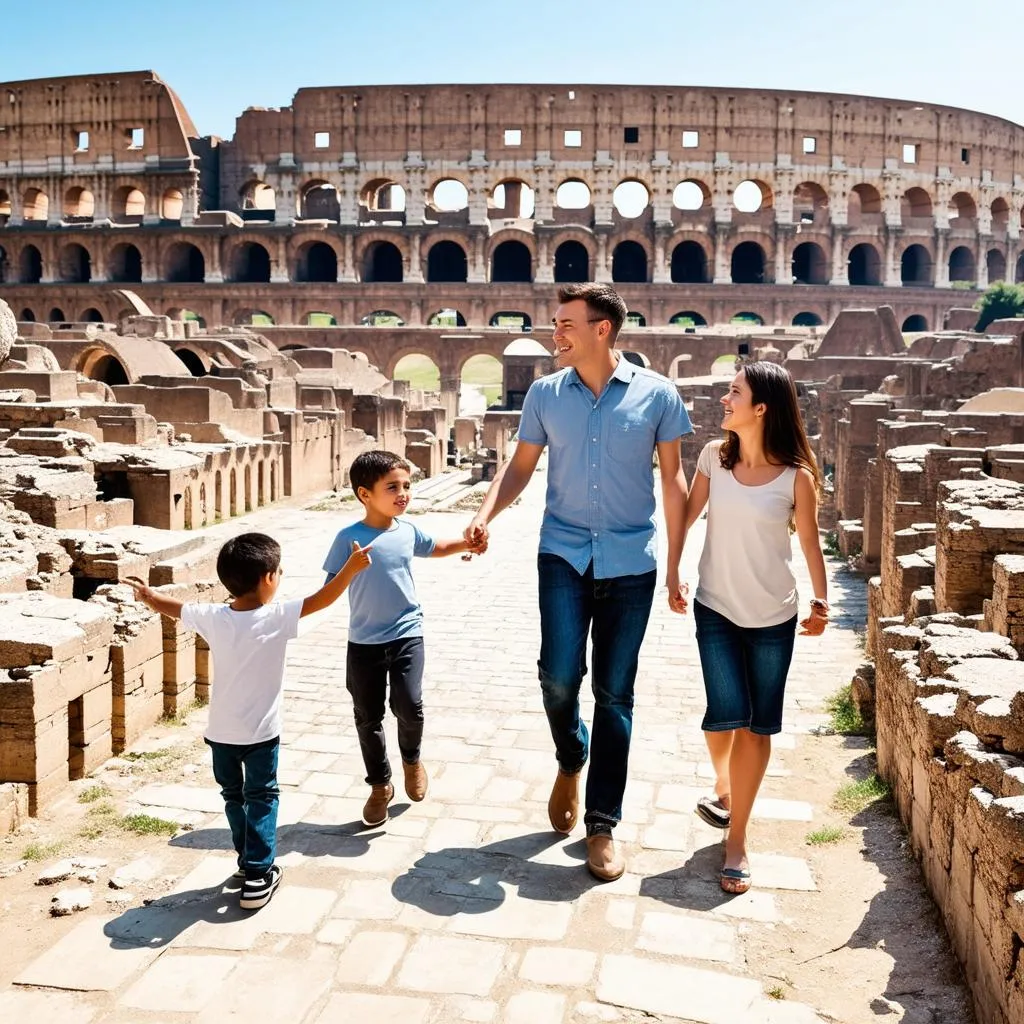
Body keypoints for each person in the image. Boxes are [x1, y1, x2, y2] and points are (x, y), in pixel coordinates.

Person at [465, 283, 692, 882]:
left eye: (565, 323)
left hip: (631, 561)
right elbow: (519, 467)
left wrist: (674, 563)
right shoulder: (545, 393)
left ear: (601, 329)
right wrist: (485, 515)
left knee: (616, 695)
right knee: (559, 676)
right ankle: (571, 755)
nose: (555, 332)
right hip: (563, 553)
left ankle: (603, 823)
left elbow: (673, 482)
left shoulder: (658, 396)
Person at [127, 532, 371, 910]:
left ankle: (247, 860)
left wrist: (149, 597)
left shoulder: (214, 617)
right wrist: (350, 569)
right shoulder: (276, 616)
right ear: (268, 578)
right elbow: (322, 600)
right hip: (260, 735)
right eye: (279, 573)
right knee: (262, 797)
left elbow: (178, 609)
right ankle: (258, 874)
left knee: (233, 797)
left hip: (220, 735)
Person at [674, 360, 829, 895]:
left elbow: (809, 542)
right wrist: (671, 571)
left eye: (733, 392)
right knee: (723, 718)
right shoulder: (713, 459)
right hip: (715, 604)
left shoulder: (796, 476)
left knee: (758, 725)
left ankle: (737, 838)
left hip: (773, 615)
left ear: (760, 408)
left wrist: (821, 602)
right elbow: (686, 516)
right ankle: (724, 784)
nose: (724, 399)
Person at [323, 450, 487, 830]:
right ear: (365, 494)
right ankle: (380, 785)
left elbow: (436, 547)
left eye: (407, 485)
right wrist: (350, 569)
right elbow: (329, 589)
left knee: (410, 705)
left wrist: (467, 545)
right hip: (363, 642)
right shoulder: (347, 538)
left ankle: (411, 760)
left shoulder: (407, 531)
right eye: (392, 487)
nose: (403, 493)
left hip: (407, 634)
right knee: (368, 717)